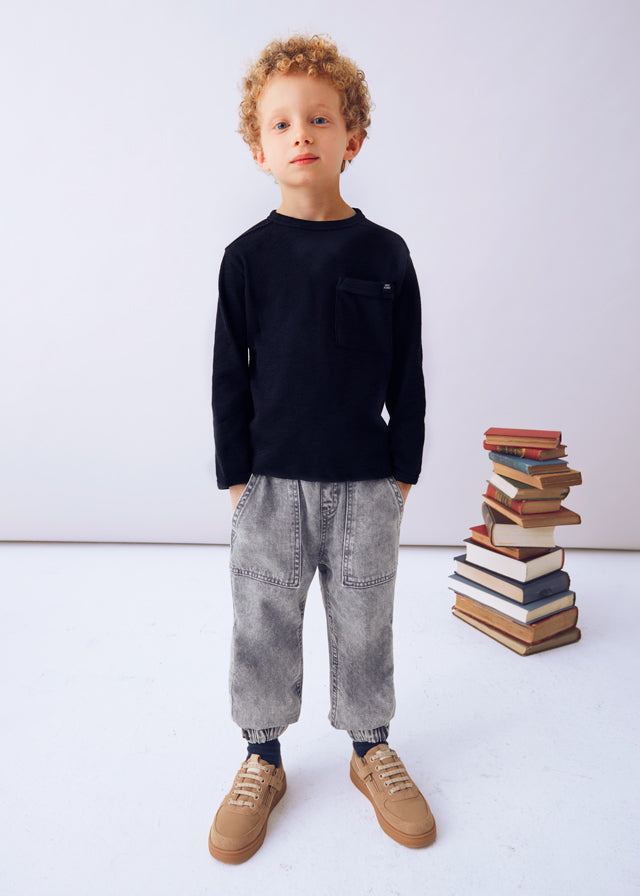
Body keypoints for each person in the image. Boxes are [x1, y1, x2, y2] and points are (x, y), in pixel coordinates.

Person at [209, 33, 434, 863]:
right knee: (262, 622)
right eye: (281, 124)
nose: (300, 133)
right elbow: (228, 377)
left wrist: (403, 472)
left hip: (366, 485)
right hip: (269, 487)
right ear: (258, 149)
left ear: (353, 138)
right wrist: (238, 481)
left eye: (319, 119)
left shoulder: (385, 254)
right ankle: (262, 758)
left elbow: (407, 372)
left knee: (365, 618)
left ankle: (371, 747)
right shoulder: (246, 260)